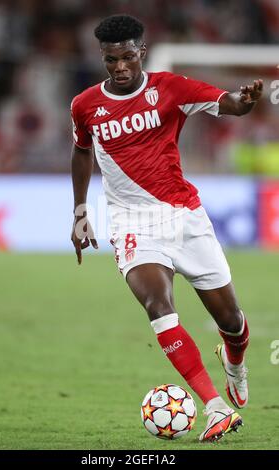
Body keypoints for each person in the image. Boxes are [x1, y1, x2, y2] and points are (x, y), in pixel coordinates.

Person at [70, 14, 263, 442]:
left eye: (126, 58)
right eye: (109, 60)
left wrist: (246, 99)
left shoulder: (170, 88)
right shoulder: (85, 105)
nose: (119, 67)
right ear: (101, 58)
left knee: (231, 320)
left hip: (185, 218)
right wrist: (80, 210)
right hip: (131, 222)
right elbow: (82, 152)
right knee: (159, 307)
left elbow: (228, 103)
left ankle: (235, 363)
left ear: (142, 51)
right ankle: (214, 407)